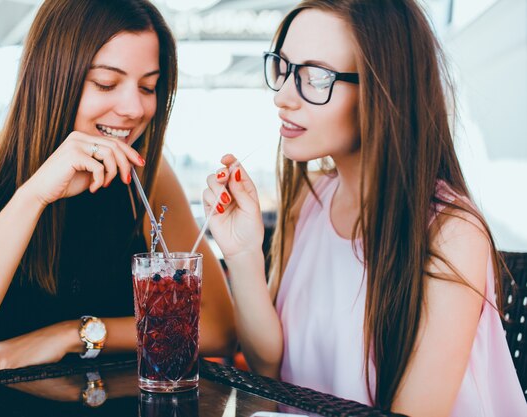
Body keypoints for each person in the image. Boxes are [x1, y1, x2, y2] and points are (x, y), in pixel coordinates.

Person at [203, 0, 526, 415]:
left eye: (316, 77)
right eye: (282, 67)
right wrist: (243, 254)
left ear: (382, 90)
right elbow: (270, 365)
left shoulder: (450, 232)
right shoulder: (310, 200)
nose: (281, 96)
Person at [0, 0, 235, 381]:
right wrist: (35, 194)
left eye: (148, 86)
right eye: (106, 83)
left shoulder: (146, 178)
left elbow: (217, 327)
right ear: (51, 77)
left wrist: (74, 335)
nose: (133, 107)